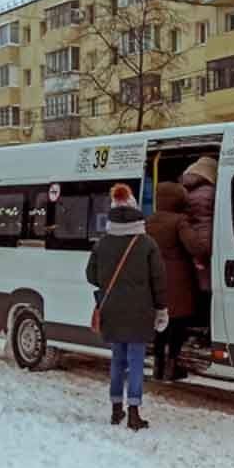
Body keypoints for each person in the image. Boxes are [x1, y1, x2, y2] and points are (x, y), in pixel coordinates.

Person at [86, 183, 168, 430]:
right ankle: (134, 412)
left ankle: (115, 410)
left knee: (117, 360)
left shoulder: (102, 243)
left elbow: (91, 276)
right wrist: (161, 309)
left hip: (111, 310)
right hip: (140, 312)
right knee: (135, 361)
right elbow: (159, 280)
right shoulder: (146, 244)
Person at [146, 181, 199, 381]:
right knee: (178, 324)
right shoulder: (180, 221)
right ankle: (172, 365)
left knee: (161, 324)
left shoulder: (149, 221)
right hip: (179, 282)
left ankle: (158, 366)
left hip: (155, 279)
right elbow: (195, 247)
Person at [180, 155, 218, 317]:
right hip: (209, 240)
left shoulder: (186, 192)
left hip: (193, 241)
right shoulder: (211, 192)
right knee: (211, 288)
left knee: (200, 286)